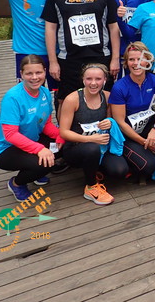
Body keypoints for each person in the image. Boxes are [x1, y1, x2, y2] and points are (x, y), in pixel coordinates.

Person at [42, 0, 121, 104]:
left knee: (104, 101)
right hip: (69, 60)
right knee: (66, 102)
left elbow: (113, 28)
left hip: (100, 58)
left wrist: (115, 59)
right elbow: (50, 28)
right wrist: (53, 62)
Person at [0, 55, 62, 201]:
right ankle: (16, 184)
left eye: (38, 72)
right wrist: (39, 149)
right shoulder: (12, 98)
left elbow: (45, 124)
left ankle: (35, 174)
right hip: (5, 149)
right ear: (21, 74)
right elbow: (11, 135)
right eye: (29, 73)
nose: (34, 77)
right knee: (43, 164)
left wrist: (60, 135)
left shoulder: (45, 93)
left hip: (30, 140)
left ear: (45, 71)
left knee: (63, 146)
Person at [109, 42, 155, 180]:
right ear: (126, 63)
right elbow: (120, 122)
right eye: (131, 59)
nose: (136, 63)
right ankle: (140, 159)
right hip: (128, 135)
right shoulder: (119, 87)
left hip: (148, 127)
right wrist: (144, 142)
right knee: (148, 166)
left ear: (147, 61)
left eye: (140, 59)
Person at [58, 63, 116, 205]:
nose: (93, 83)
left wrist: (110, 122)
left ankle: (96, 170)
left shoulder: (107, 96)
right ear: (83, 80)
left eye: (98, 79)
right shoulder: (72, 99)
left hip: (101, 146)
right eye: (89, 79)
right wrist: (90, 139)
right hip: (76, 148)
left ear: (105, 80)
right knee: (91, 148)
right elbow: (63, 132)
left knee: (119, 170)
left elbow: (112, 121)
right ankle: (90, 187)